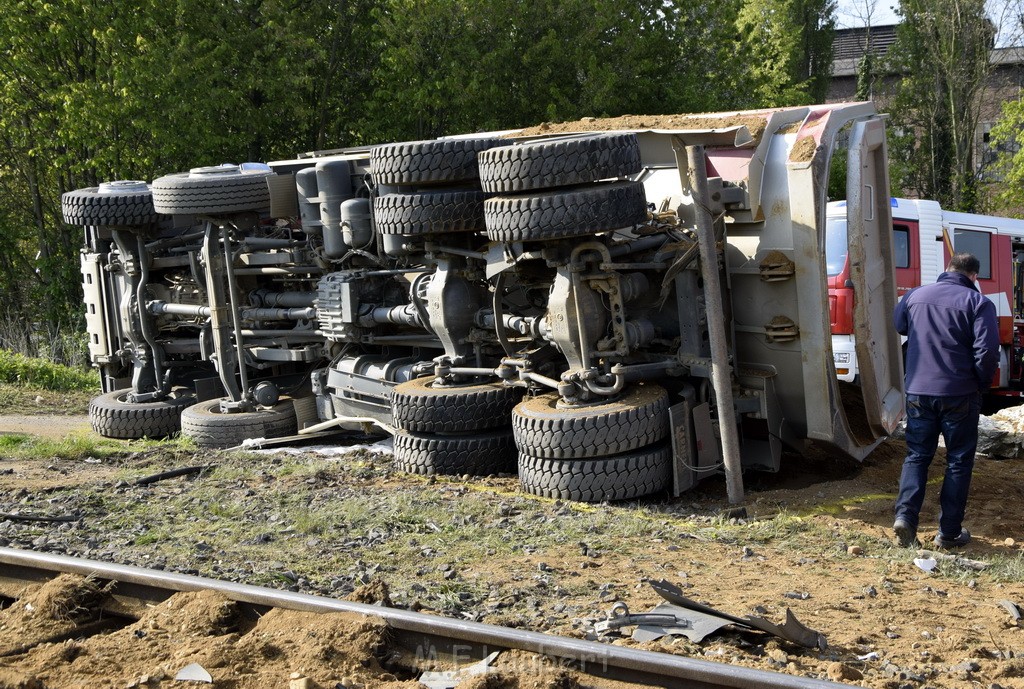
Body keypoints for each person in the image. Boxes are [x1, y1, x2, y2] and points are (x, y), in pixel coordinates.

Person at [892, 252, 999, 549]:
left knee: (916, 456)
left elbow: (900, 325)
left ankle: (905, 519)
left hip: (918, 391)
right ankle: (949, 532)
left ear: (948, 269)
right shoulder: (979, 303)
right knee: (958, 461)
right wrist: (980, 383)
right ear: (974, 276)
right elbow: (988, 352)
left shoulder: (915, 295)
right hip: (959, 393)